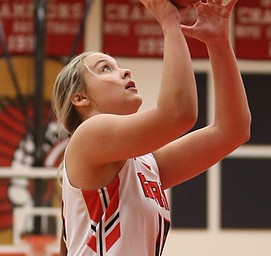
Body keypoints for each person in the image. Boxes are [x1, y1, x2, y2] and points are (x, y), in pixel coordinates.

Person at [52, 0, 251, 255]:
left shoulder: (146, 164)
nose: (124, 71)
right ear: (80, 98)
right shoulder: (88, 135)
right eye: (105, 69)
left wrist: (218, 41)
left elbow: (233, 130)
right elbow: (178, 114)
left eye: (117, 65)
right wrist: (170, 22)